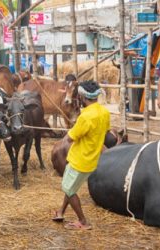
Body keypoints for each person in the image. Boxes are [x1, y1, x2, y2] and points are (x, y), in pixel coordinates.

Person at [52, 80, 110, 230]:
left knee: (68, 188)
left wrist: (73, 127)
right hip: (92, 159)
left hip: (80, 160)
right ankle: (61, 212)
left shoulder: (85, 117)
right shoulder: (104, 112)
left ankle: (83, 221)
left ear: (83, 97)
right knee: (71, 187)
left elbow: (71, 137)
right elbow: (105, 131)